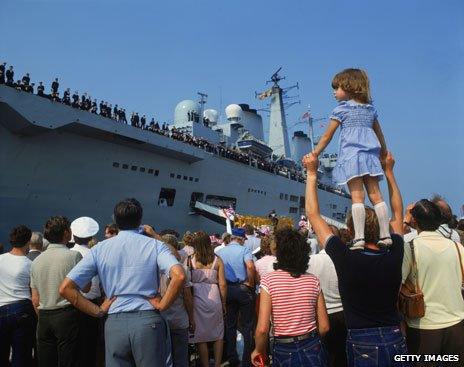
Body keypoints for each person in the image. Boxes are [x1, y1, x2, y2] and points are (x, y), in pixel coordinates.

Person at [304, 151, 409, 367]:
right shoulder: (395, 251)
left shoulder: (345, 257)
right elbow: (398, 214)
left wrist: (312, 173)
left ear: (351, 230)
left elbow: (313, 215)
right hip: (395, 337)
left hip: (362, 343)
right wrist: (389, 172)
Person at [59, 198, 185, 367]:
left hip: (114, 323)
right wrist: (163, 305)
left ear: (115, 221)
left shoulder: (99, 249)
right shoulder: (155, 245)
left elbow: (66, 288)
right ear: (140, 219)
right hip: (148, 321)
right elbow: (179, 275)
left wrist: (97, 311)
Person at [311, 68, 390, 250]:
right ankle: (385, 235)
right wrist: (384, 153)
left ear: (349, 87)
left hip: (352, 157)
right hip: (370, 156)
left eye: (337, 88)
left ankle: (359, 238)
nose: (334, 92)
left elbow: (327, 136)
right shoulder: (371, 110)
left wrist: (315, 153)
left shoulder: (341, 110)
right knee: (377, 196)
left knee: (357, 197)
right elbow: (380, 135)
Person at [252, 228, 329, 367]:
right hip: (312, 345)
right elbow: (324, 327)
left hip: (284, 347)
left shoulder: (268, 281)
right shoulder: (313, 281)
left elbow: (262, 329)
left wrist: (258, 350)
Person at [402, 200, 464, 362]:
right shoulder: (457, 247)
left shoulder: (410, 247)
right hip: (457, 325)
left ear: (414, 221)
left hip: (423, 327)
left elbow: (397, 283)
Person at [30, 216, 84, 367]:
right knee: (68, 360)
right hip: (66, 313)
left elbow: (35, 298)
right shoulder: (74, 256)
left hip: (44, 316)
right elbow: (86, 287)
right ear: (66, 233)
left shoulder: (36, 261)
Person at [308, 227, 346, 367]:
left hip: (319, 315)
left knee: (321, 356)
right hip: (343, 314)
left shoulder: (311, 260)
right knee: (341, 357)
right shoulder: (346, 259)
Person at [217, 228, 255, 367]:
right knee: (246, 326)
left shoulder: (220, 252)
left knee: (230, 325)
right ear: (240, 239)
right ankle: (246, 359)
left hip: (227, 289)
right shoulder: (244, 251)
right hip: (243, 288)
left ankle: (232, 356)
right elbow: (250, 267)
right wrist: (250, 283)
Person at [188, 232, 227, 367]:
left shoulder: (190, 260)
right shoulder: (217, 260)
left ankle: (205, 364)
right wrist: (223, 303)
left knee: (200, 335)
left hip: (197, 298)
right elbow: (222, 284)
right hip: (214, 296)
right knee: (218, 333)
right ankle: (217, 364)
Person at [0, 225, 35, 367]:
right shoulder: (30, 264)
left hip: (1, 308)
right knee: (21, 356)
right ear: (28, 242)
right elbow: (34, 292)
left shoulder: (0, 259)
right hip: (22, 309)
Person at [70, 216, 102, 367]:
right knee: (89, 348)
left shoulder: (68, 254)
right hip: (92, 305)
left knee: (72, 349)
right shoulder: (96, 254)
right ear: (91, 236)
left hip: (70, 304)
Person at [159, 235, 195, 367]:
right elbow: (187, 298)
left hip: (160, 319)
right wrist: (192, 319)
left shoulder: (155, 269)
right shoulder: (182, 270)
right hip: (179, 318)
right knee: (180, 357)